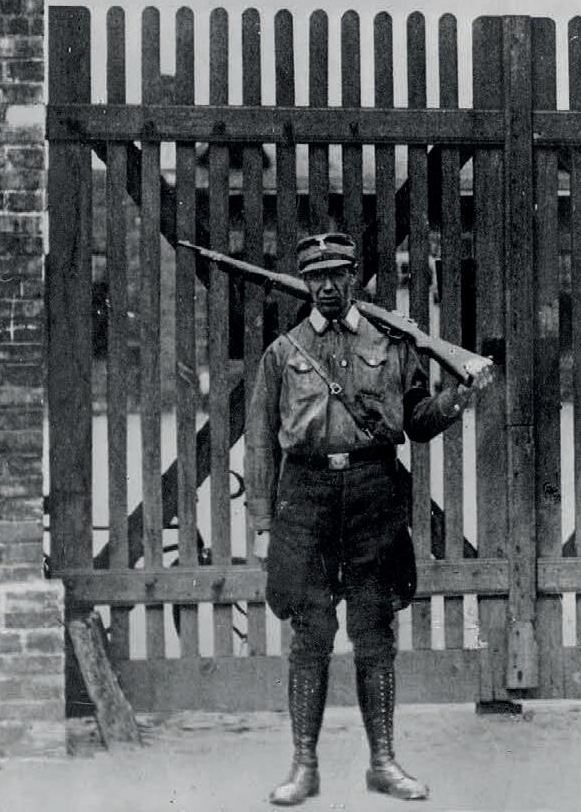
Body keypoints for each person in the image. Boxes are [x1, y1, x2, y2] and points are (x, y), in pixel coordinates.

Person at [246, 232, 472, 804]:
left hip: (373, 494)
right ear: (304, 282)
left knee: (374, 632)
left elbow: (417, 421)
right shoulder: (283, 353)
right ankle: (304, 766)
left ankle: (384, 763)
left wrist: (456, 399)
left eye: (336, 275)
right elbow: (261, 443)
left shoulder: (391, 343)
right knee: (311, 634)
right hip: (306, 498)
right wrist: (263, 525)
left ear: (353, 277)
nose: (326, 286)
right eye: (315, 277)